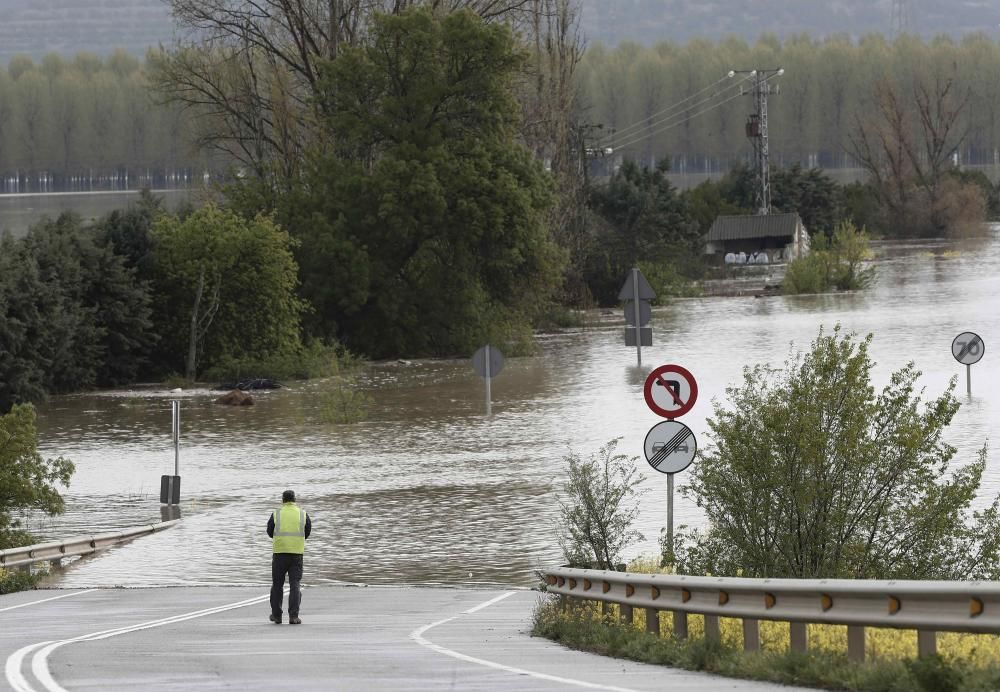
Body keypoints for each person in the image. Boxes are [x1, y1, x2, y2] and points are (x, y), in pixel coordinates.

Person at [267, 489, 311, 624]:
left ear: (283, 500)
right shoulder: (303, 514)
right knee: (295, 584)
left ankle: (277, 615)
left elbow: (269, 532)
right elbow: (307, 532)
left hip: (279, 553)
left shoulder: (277, 513)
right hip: (297, 554)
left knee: (277, 584)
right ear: (294, 500)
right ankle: (293, 616)